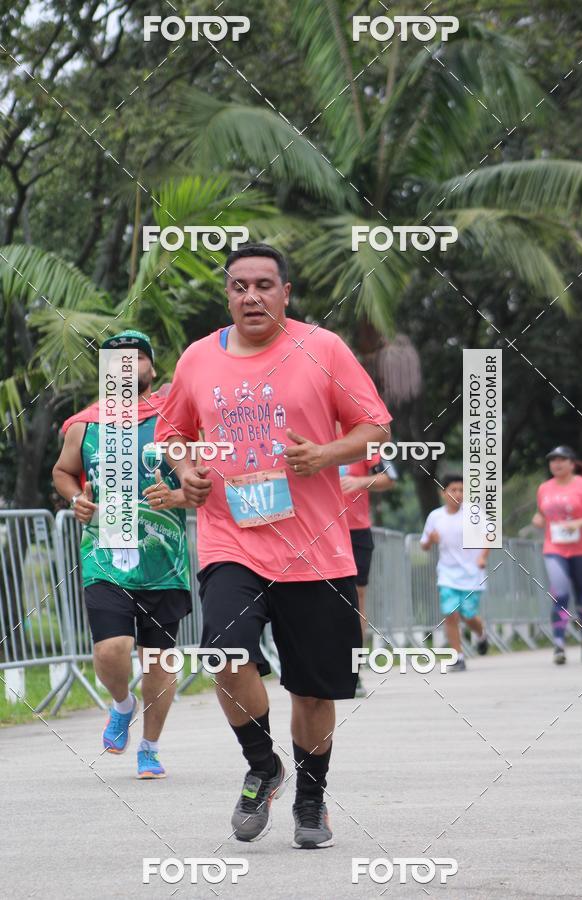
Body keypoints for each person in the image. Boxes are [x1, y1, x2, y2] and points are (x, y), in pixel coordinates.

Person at [155, 243, 391, 849]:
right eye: (239, 286)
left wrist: (326, 454)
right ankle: (263, 767)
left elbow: (375, 426)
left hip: (316, 549)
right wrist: (185, 471)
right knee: (226, 657)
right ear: (227, 294)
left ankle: (311, 800)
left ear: (286, 292)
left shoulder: (324, 348)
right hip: (230, 540)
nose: (251, 296)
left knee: (312, 689)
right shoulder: (198, 358)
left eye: (264, 285)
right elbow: (175, 433)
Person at [52, 330, 193, 778]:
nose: (127, 368)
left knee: (157, 660)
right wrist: (76, 499)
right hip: (104, 550)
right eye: (117, 362)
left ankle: (149, 746)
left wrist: (179, 497)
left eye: (136, 359)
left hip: (163, 558)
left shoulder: (176, 418)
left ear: (152, 367)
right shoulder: (85, 425)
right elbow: (62, 472)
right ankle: (121, 704)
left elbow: (202, 479)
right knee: (112, 649)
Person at [532, 445, 582, 665]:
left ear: (572, 464)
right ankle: (559, 645)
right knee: (559, 593)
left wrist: (578, 524)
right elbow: (542, 514)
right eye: (552, 460)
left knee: (581, 595)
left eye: (561, 460)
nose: (556, 464)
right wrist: (538, 520)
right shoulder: (544, 488)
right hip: (555, 548)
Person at [338, 448, 397, 696]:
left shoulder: (363, 440)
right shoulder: (307, 431)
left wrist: (360, 481)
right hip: (318, 531)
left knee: (355, 601)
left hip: (356, 531)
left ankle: (353, 671)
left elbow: (389, 478)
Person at [420, 473, 489, 671]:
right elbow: (424, 544)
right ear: (443, 493)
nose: (457, 494)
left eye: (461, 490)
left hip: (472, 574)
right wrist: (430, 540)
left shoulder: (474, 512)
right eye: (453, 490)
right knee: (450, 613)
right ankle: (457, 656)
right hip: (447, 573)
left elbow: (488, 536)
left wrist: (483, 556)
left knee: (468, 615)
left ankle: (481, 634)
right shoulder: (435, 516)